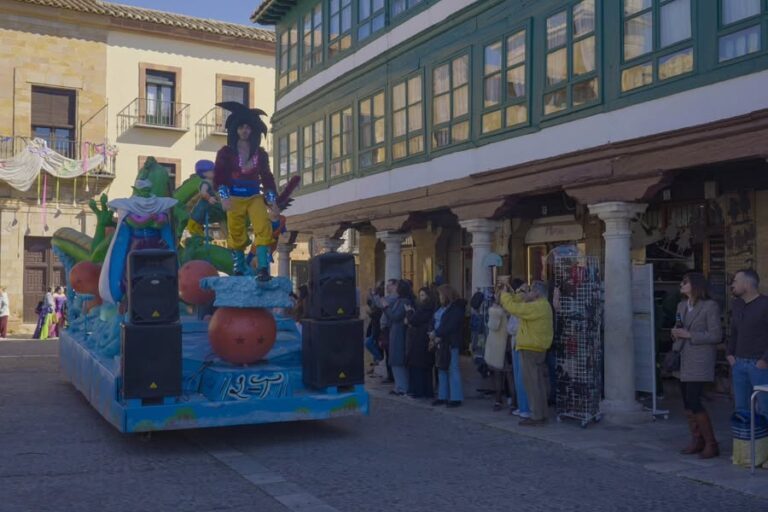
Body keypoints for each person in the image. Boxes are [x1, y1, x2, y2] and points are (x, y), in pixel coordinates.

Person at [214, 102, 276, 279]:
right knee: (236, 231)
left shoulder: (261, 154)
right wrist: (224, 197)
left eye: (248, 127)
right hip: (234, 197)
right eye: (241, 127)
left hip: (255, 196)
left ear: (253, 130)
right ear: (235, 129)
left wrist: (272, 201)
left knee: (263, 227)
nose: (244, 131)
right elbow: (219, 177)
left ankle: (263, 267)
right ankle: (239, 268)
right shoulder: (226, 152)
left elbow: (267, 177)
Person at [671, 272, 722, 459]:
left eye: (685, 282)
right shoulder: (681, 305)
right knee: (686, 402)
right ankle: (697, 440)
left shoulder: (710, 306)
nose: (681, 284)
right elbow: (679, 328)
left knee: (694, 400)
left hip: (699, 360)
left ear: (696, 285)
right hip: (682, 358)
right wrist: (675, 333)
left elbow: (716, 335)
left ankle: (711, 443)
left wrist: (690, 335)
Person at [499, 280, 554, 426]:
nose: (528, 293)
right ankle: (542, 413)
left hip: (531, 347)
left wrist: (504, 295)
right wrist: (512, 292)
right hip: (537, 347)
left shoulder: (537, 306)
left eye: (530, 291)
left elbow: (514, 308)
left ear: (536, 293)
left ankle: (536, 415)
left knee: (531, 384)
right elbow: (519, 302)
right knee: (539, 383)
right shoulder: (544, 305)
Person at [728, 269, 768, 422]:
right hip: (739, 363)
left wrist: (764, 360)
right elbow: (734, 331)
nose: (733, 285)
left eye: (736, 281)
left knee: (765, 408)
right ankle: (747, 446)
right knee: (741, 410)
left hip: (760, 365)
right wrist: (730, 354)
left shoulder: (765, 304)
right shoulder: (737, 304)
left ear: (747, 284)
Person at [432, 284, 465, 408]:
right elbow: (434, 320)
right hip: (440, 341)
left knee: (453, 369)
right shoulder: (441, 308)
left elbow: (450, 326)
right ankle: (442, 396)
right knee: (441, 369)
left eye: (441, 294)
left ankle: (456, 397)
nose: (439, 297)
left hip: (451, 342)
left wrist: (437, 333)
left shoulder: (456, 309)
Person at [381, 280, 413, 395]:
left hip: (400, 333)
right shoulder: (399, 301)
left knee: (398, 360)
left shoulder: (404, 301)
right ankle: (399, 386)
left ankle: (402, 387)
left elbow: (395, 316)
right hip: (395, 332)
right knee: (395, 360)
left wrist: (385, 307)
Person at [506, 279, 531, 418]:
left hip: (521, 345)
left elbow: (512, 327)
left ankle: (525, 408)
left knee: (522, 378)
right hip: (516, 344)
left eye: (522, 291)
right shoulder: (519, 307)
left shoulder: (524, 308)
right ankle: (522, 407)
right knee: (518, 378)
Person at [405, 287, 436, 399]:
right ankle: (426, 391)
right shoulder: (429, 308)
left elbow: (413, 320)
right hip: (423, 338)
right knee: (425, 367)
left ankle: (419, 391)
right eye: (420, 295)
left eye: (423, 295)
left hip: (420, 339)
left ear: (428, 296)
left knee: (419, 366)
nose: (421, 297)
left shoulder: (425, 308)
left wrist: (409, 312)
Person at [185, 159, 218, 237]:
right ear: (204, 173)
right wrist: (209, 198)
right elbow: (203, 193)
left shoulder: (212, 182)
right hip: (201, 208)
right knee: (196, 226)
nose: (215, 173)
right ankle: (199, 238)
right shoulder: (205, 183)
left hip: (206, 208)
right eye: (212, 171)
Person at [379, 279, 398, 384]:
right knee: (386, 352)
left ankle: (392, 376)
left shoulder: (394, 298)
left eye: (389, 285)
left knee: (390, 352)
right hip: (384, 328)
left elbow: (381, 304)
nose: (387, 287)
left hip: (388, 327)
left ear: (395, 286)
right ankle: (390, 375)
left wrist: (380, 299)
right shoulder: (389, 297)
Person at [365, 283, 385, 370]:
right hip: (374, 327)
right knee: (372, 343)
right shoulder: (376, 301)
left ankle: (380, 359)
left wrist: (370, 313)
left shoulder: (380, 302)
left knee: (370, 343)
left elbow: (376, 313)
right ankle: (377, 361)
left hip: (378, 328)